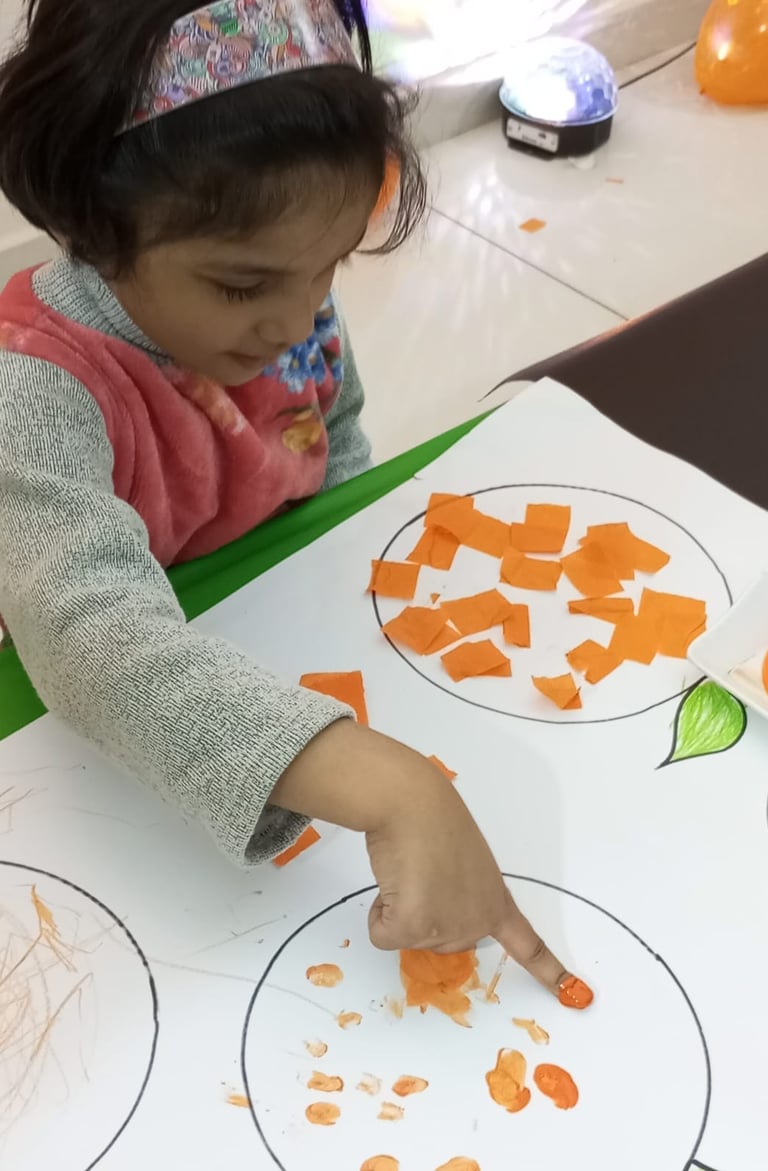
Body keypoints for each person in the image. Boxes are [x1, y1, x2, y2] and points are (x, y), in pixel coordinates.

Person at [0, 0, 575, 996]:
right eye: (241, 286)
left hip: (261, 622)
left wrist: (350, 597)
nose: (296, 319)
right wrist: (388, 783)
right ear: (89, 221)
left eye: (330, 268)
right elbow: (91, 645)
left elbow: (336, 441)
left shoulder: (285, 296)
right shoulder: (34, 390)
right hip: (80, 691)